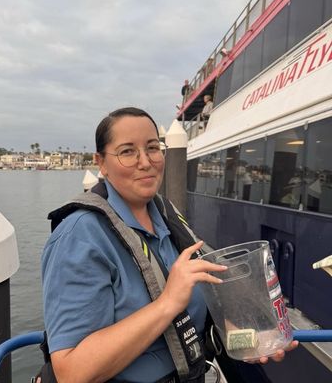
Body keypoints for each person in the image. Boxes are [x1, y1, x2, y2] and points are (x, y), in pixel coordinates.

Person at [41, 107, 298, 383]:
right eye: (127, 151)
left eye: (153, 148)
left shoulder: (165, 213)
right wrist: (168, 303)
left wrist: (249, 340)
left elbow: (195, 310)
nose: (145, 162)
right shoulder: (79, 236)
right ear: (101, 162)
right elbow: (72, 372)